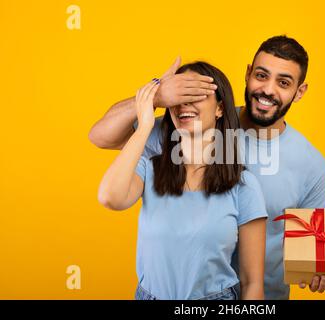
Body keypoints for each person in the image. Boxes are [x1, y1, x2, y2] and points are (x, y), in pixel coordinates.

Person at [90, 35, 325, 300]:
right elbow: (101, 137)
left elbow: (322, 249)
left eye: (284, 82)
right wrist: (157, 96)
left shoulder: (310, 164)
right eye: (262, 75)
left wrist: (321, 269)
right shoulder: (189, 125)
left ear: (300, 91)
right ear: (248, 73)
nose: (268, 90)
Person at [97, 62, 268, 300]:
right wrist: (146, 121)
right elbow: (109, 197)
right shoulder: (149, 168)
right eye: (178, 97)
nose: (184, 104)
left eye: (195, 94)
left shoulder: (244, 186)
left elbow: (252, 284)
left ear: (219, 108)